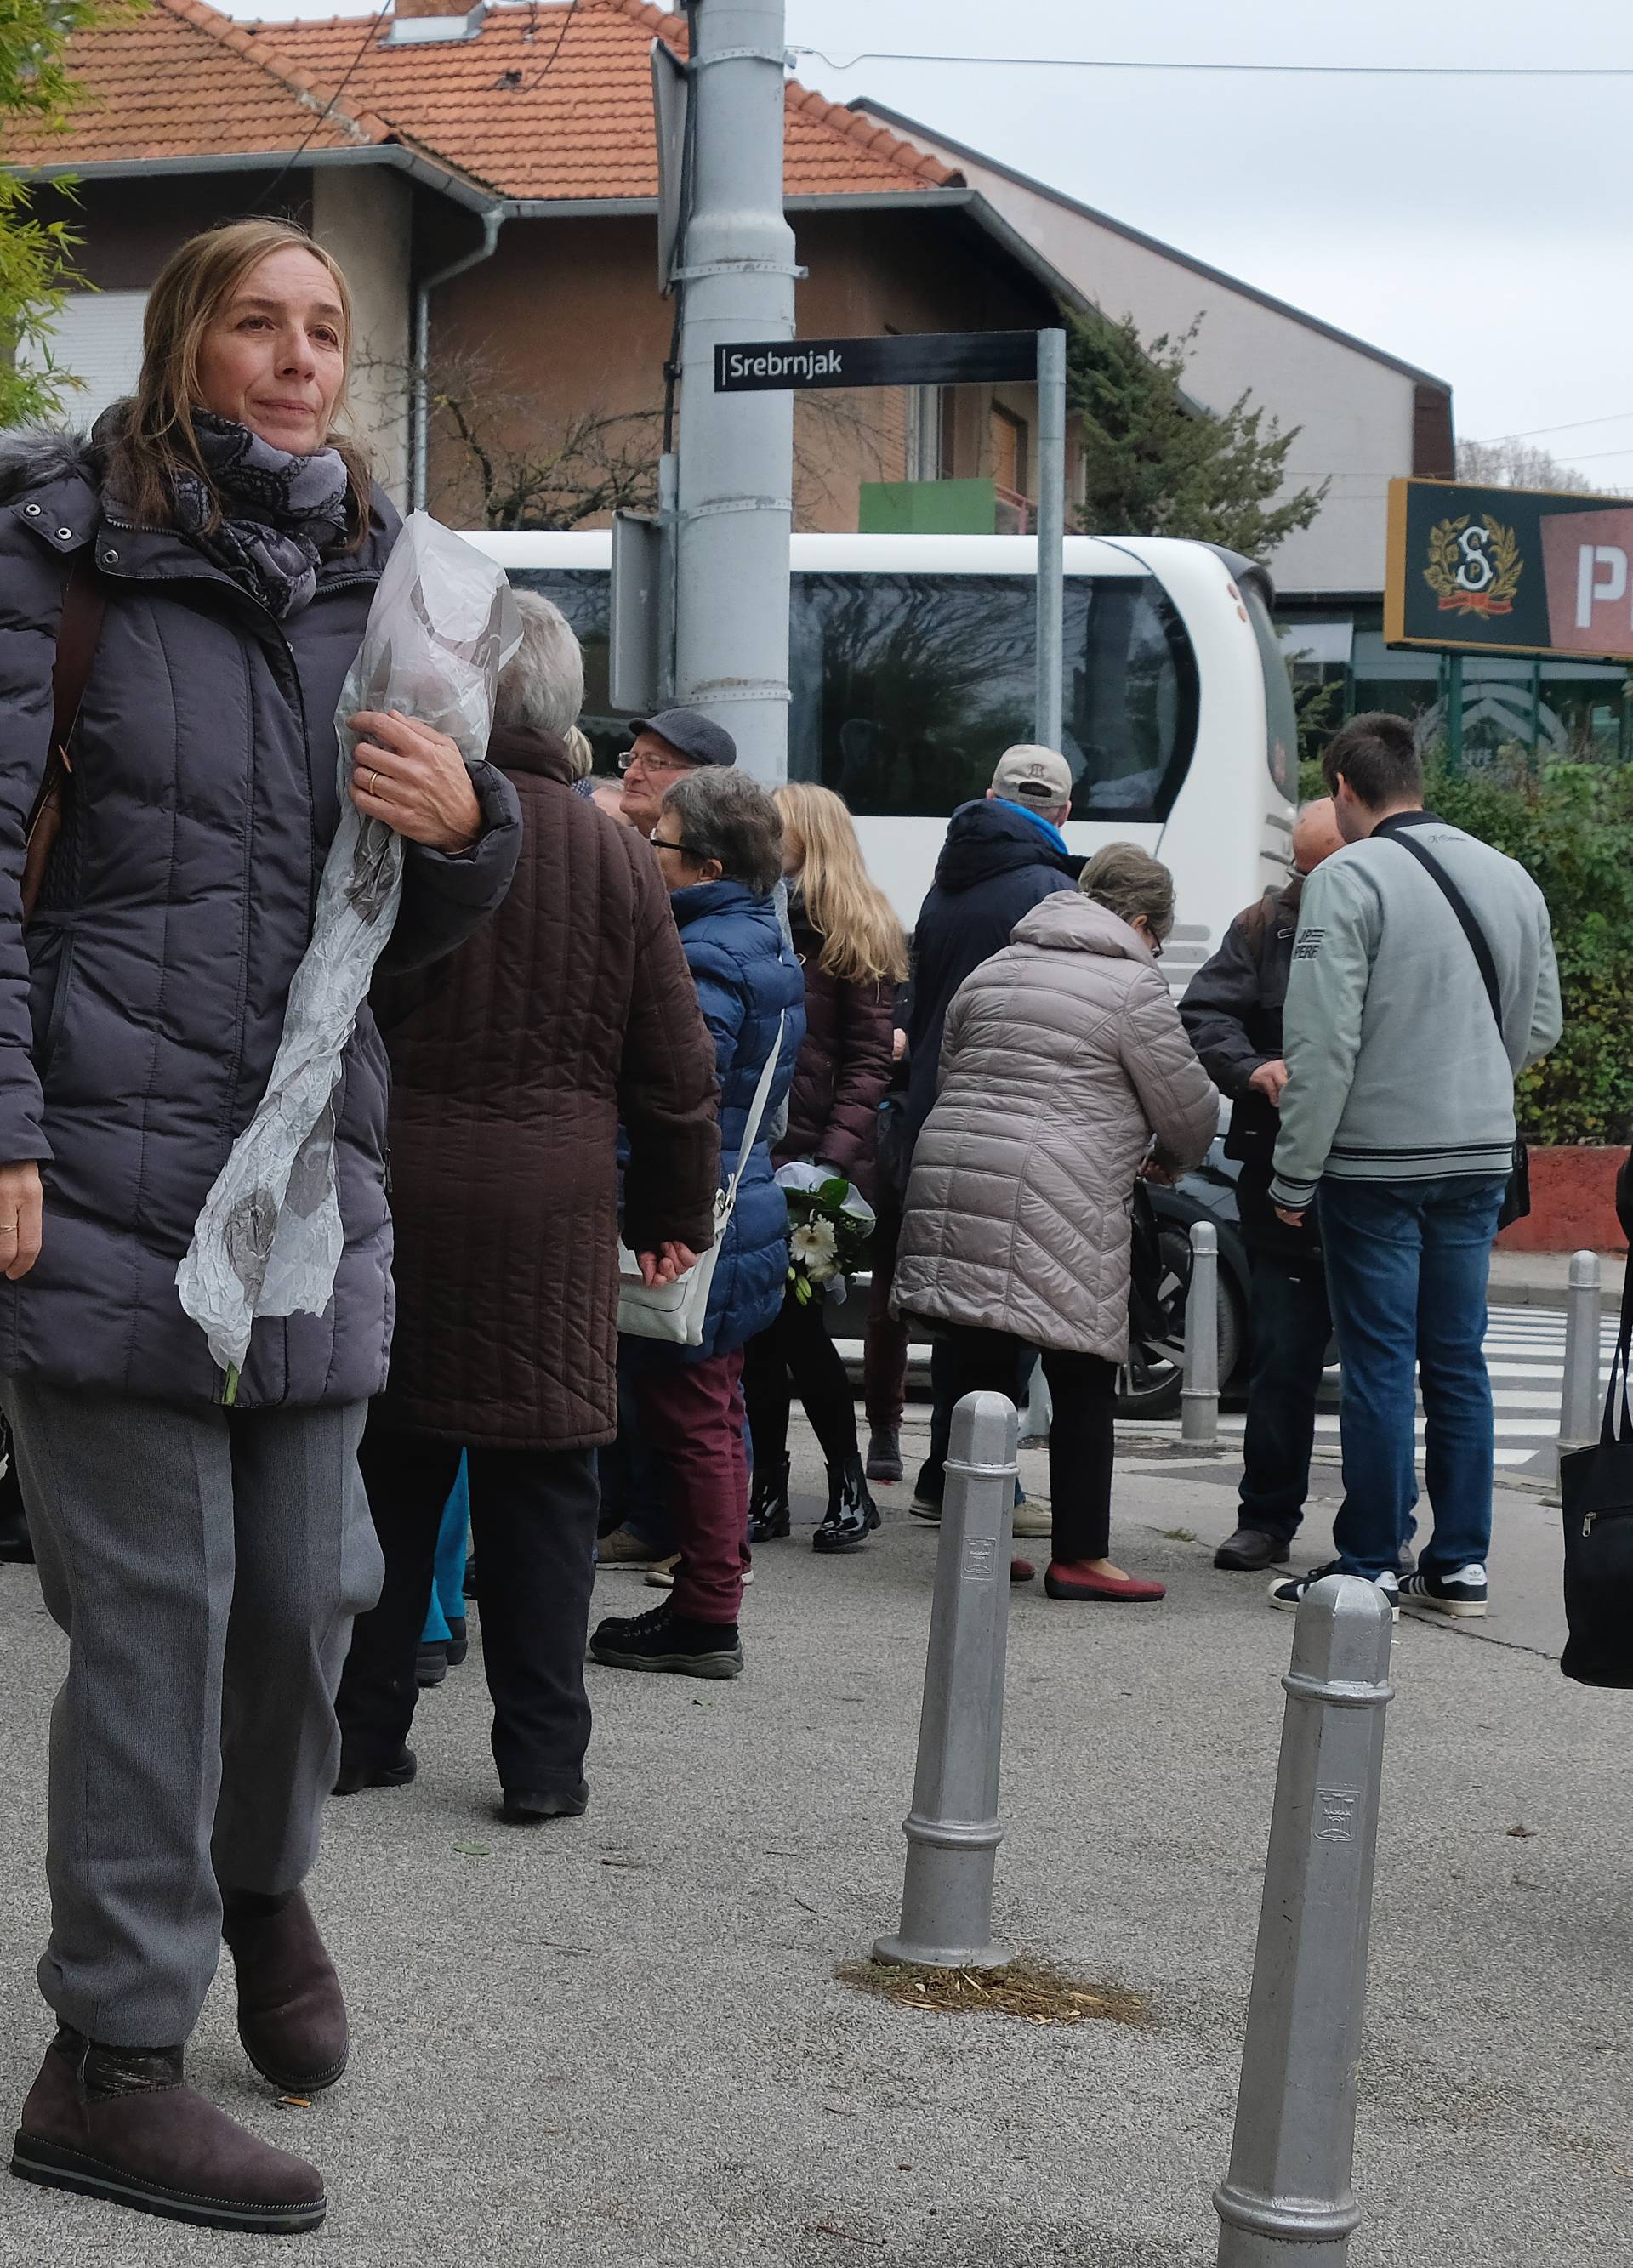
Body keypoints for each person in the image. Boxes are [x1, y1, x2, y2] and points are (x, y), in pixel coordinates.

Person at [0, 219, 521, 2234]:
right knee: (156, 1617)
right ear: (183, 341)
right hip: (99, 1169)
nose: (299, 360)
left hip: (306, 1181)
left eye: (326, 330)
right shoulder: (58, 555)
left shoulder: (403, 587)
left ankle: (257, 1880)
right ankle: (112, 2057)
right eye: (257, 323)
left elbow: (424, 936)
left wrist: (467, 835)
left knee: (314, 1593)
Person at [332, 593, 720, 1814]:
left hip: (400, 1187)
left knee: (392, 1469)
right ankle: (542, 1764)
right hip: (553, 1211)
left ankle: (362, 1733)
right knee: (546, 1497)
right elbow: (674, 1067)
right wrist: (675, 1212)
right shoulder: (616, 851)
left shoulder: (393, 827)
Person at [1267, 713, 1561, 1619]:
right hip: (1478, 1150)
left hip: (1376, 1162)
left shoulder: (1350, 876)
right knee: (1457, 1359)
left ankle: (1370, 1560)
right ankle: (1462, 1563)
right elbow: (1541, 1025)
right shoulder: (1508, 874)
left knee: (1381, 1364)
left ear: (1346, 790)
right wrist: (1470, 1080)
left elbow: (1322, 1043)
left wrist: (1293, 1175)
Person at [893, 844, 1218, 1600]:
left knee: (979, 1364)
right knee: (1080, 1374)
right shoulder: (1132, 985)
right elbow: (1189, 1110)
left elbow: (952, 1073)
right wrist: (1170, 1157)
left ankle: (975, 1540)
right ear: (1139, 920)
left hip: (957, 1175)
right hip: (1059, 1191)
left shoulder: (996, 967)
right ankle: (1080, 1554)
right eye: (1159, 937)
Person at [591, 769, 804, 1679]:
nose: (649, 851)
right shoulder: (763, 939)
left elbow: (678, 1092)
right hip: (740, 1193)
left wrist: (649, 1210)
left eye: (662, 842)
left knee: (691, 1413)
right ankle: (710, 1596)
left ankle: (708, 1610)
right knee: (708, 1405)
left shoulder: (709, 953)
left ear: (707, 863)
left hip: (691, 1207)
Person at [899, 744, 1085, 1527]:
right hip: (1015, 1123)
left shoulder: (947, 881)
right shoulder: (1050, 893)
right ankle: (989, 1485)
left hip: (938, 1119)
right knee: (1010, 1318)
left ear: (989, 796)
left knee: (963, 1314)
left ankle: (947, 1473)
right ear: (1065, 814)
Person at [1181, 799, 1348, 1573]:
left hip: (1372, 1168)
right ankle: (1266, 1516)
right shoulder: (1263, 928)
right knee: (1281, 1352)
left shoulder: (1396, 918)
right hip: (1277, 1166)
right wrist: (1252, 1069)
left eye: (1322, 869)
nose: (1307, 885)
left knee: (1390, 1359)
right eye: (1301, 870)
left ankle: (1381, 1527)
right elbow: (1204, 1014)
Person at [742, 782, 904, 1551]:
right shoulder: (766, 916)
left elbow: (869, 1066)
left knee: (799, 1332)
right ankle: (769, 1489)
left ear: (809, 835)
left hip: (809, 1168)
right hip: (759, 1155)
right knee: (758, 1336)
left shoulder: (853, 928)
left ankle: (847, 1485)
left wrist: (826, 1168)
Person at [613, 705, 738, 836]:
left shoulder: (730, 854)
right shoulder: (608, 848)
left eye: (653, 762)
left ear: (704, 781)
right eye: (631, 759)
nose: (630, 775)